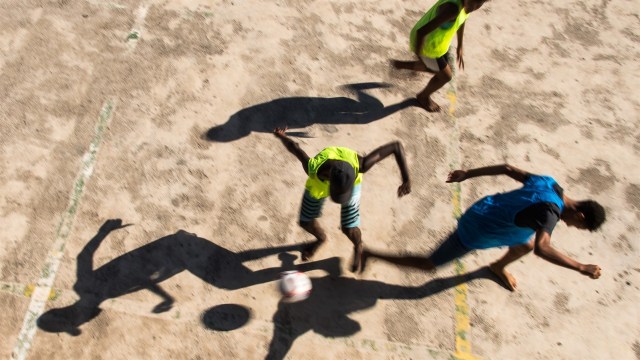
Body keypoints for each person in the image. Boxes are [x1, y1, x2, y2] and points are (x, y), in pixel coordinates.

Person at [362, 164, 607, 291]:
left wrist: (467, 173)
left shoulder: (551, 184)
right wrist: (580, 266)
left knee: (524, 245)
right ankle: (370, 253)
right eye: (578, 226)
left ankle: (497, 267)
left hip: (487, 209)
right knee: (429, 264)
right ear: (580, 214)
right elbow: (543, 249)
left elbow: (507, 169)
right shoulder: (550, 213)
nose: (573, 227)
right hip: (480, 229)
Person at [273, 127, 411, 272]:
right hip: (318, 185)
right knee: (305, 222)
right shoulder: (312, 168)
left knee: (349, 228)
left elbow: (396, 146)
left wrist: (406, 179)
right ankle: (321, 239)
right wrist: (282, 136)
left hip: (352, 182)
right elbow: (295, 148)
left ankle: (359, 246)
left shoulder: (361, 165)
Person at [392, 0, 489, 112]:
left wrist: (460, 46)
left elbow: (462, 20)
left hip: (437, 45)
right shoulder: (452, 10)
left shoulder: (466, 4)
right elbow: (421, 33)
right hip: (427, 46)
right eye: (474, 2)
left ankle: (401, 65)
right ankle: (422, 97)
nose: (474, 7)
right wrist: (419, 56)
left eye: (479, 3)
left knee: (435, 69)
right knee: (445, 76)